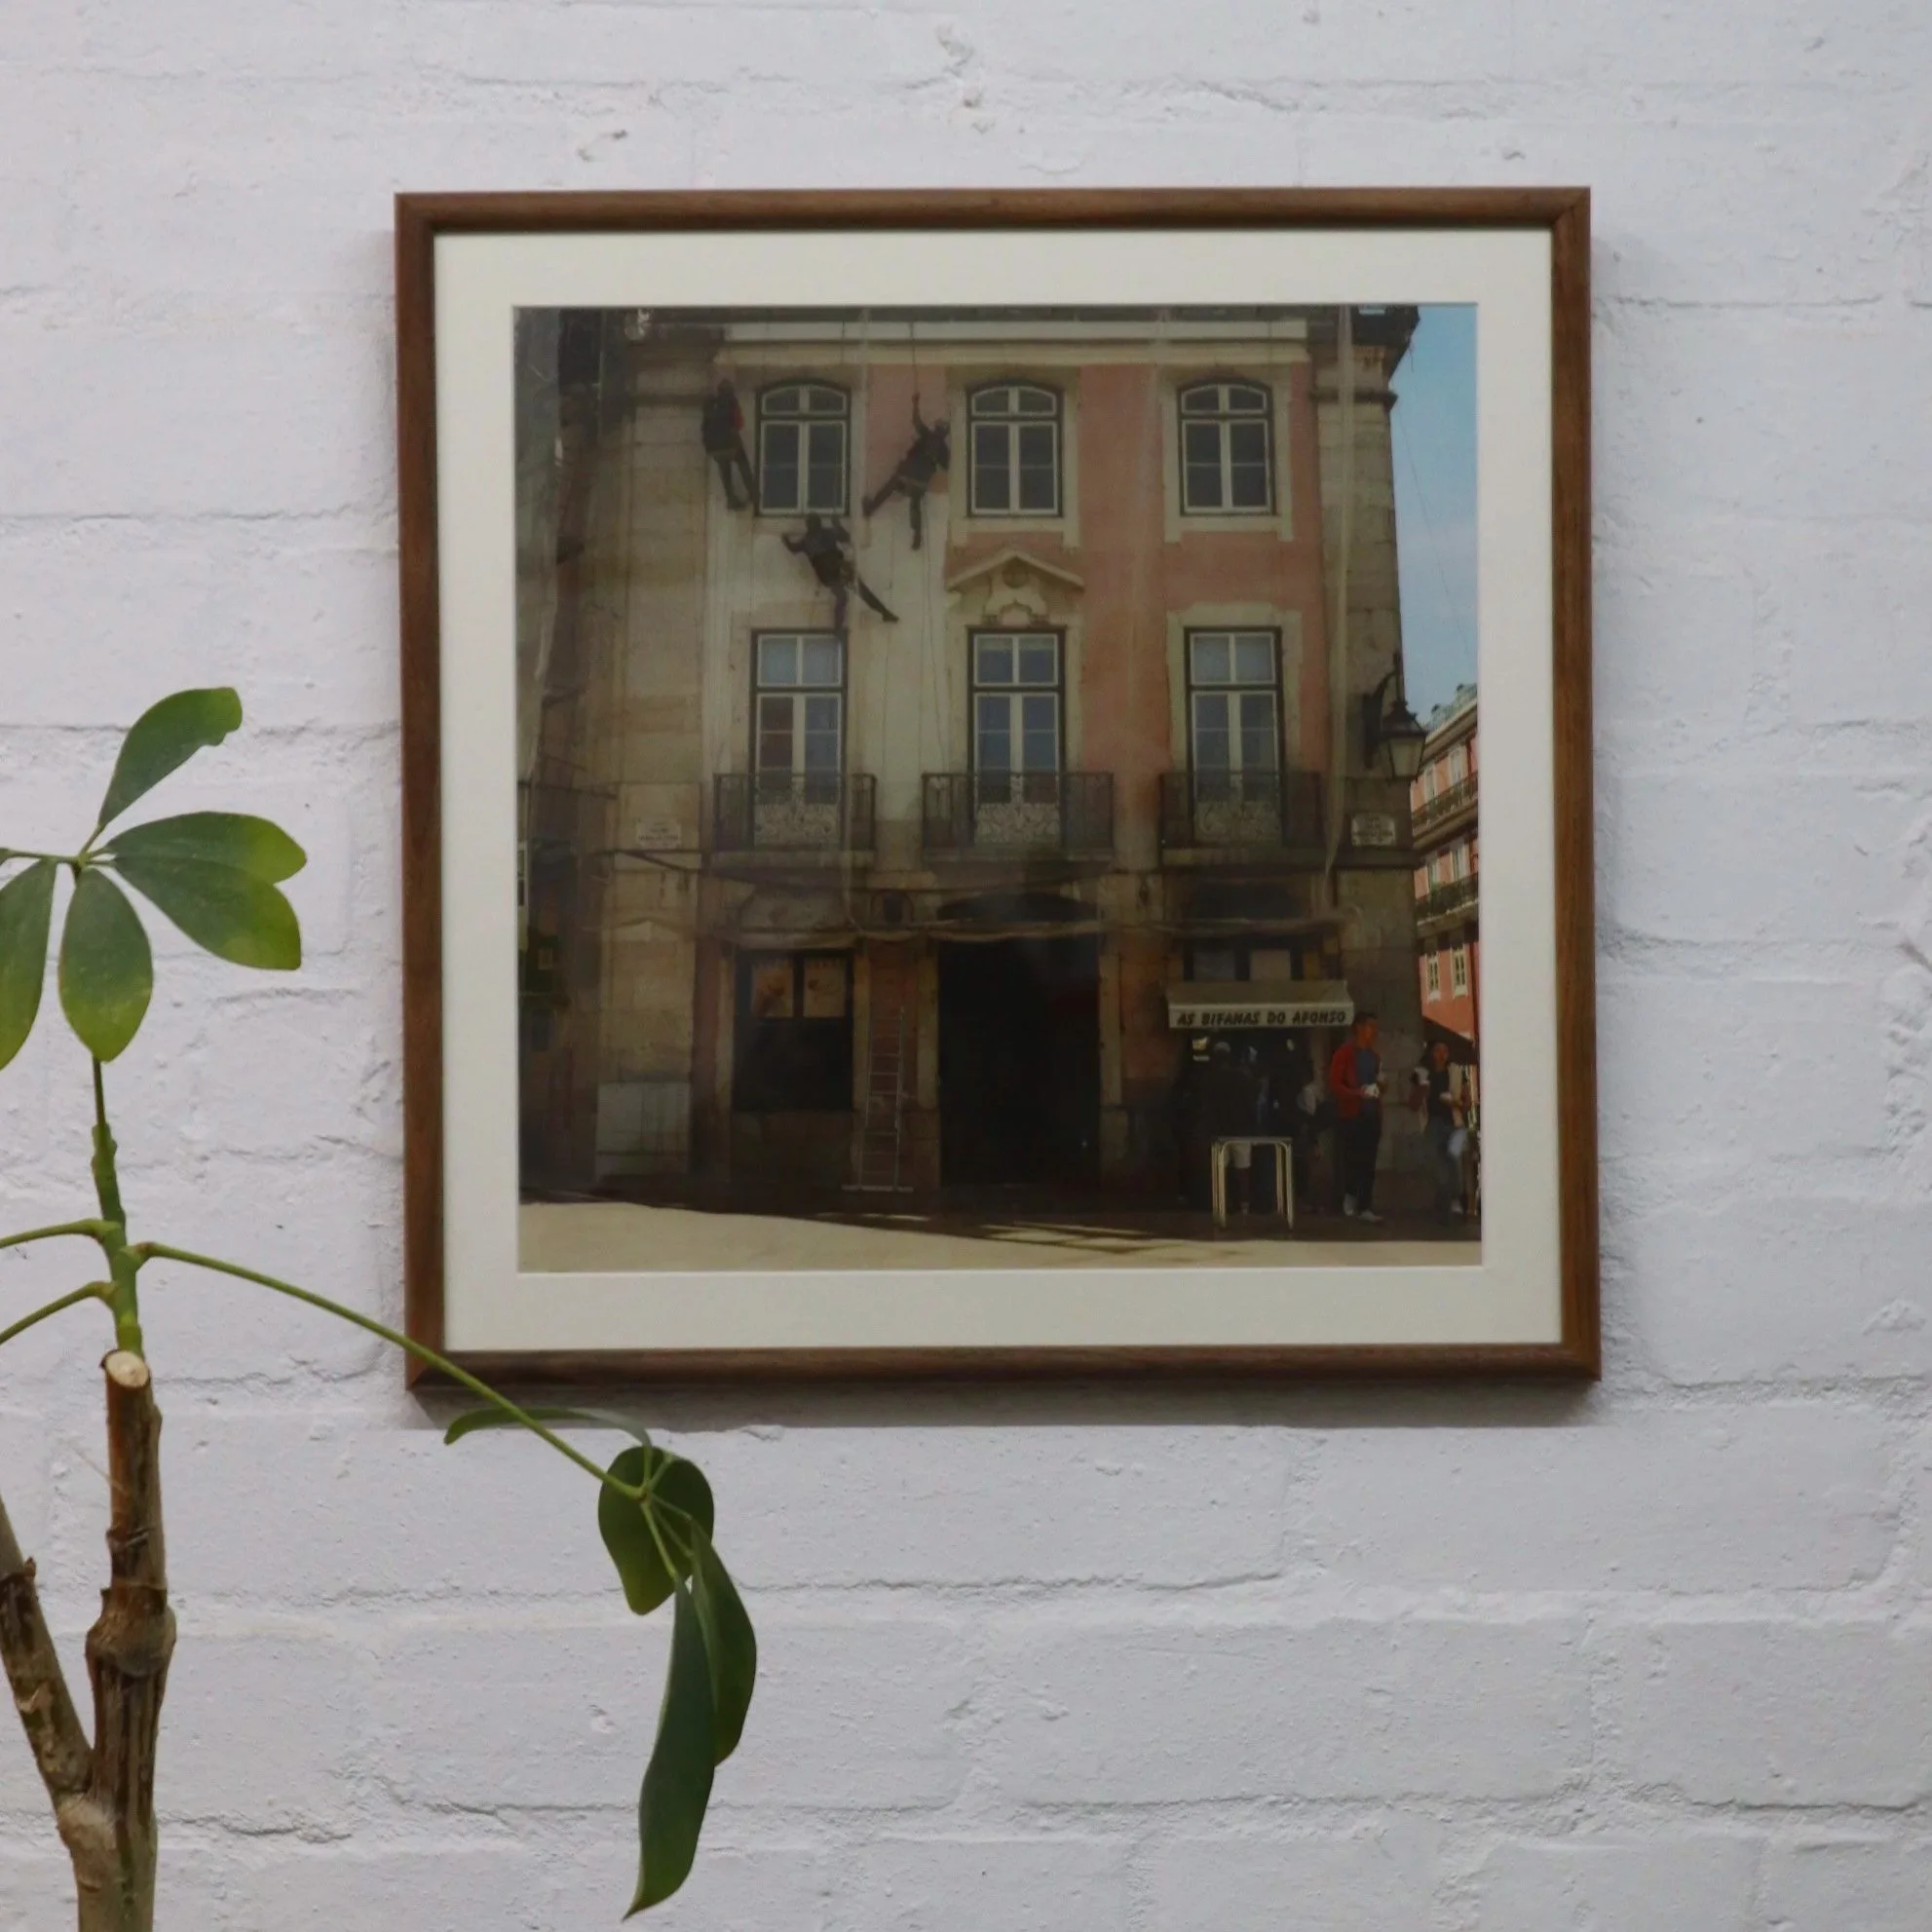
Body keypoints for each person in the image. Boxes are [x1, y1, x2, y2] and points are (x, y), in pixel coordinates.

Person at [782, 513, 899, 631]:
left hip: (834, 569)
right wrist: (786, 540)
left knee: (851, 593)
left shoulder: (825, 534)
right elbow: (793, 548)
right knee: (847, 593)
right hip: (828, 572)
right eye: (811, 525)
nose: (813, 528)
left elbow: (845, 537)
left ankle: (883, 613)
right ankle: (839, 627)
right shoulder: (808, 540)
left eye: (814, 524)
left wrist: (837, 525)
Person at [862, 401, 951, 549]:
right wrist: (934, 461)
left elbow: (916, 421)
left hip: (907, 474)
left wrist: (916, 403)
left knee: (891, 485)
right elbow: (946, 466)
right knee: (915, 504)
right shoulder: (943, 449)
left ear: (937, 429)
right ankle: (917, 535)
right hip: (922, 481)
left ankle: (870, 508)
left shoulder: (927, 435)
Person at [1326, 1011, 1384, 1224]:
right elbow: (1334, 1084)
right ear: (1359, 1027)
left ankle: (1365, 1206)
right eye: (1371, 1026)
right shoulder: (1344, 1054)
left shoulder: (1375, 1056)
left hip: (1371, 1114)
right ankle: (1350, 1197)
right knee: (1351, 1159)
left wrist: (1380, 1086)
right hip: (1351, 1114)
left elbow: (1378, 1082)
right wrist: (1356, 1093)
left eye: (1375, 1027)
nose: (1374, 1031)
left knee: (1369, 1161)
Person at [1200, 1038, 1263, 1215]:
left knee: (1220, 1172)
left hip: (1219, 1132)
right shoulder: (1242, 1077)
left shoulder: (1209, 1079)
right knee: (1243, 1172)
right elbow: (1255, 1094)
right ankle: (1244, 1207)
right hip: (1241, 1131)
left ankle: (1222, 1204)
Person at [1410, 1038, 1465, 1219]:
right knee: (1436, 1161)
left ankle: (1456, 1199)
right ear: (1430, 1053)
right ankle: (1444, 1199)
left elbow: (1467, 1103)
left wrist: (1454, 1102)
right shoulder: (1422, 1072)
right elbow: (1413, 1104)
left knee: (1454, 1157)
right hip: (1432, 1122)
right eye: (1437, 1051)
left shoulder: (1456, 1071)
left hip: (1455, 1123)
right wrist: (1422, 1089)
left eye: (1445, 1051)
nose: (1441, 1055)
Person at [699, 378, 757, 511]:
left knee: (725, 471)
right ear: (730, 391)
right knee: (743, 463)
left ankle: (731, 498)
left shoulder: (709, 405)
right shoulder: (731, 402)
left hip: (714, 448)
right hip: (730, 444)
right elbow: (739, 423)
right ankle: (753, 492)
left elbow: (704, 427)